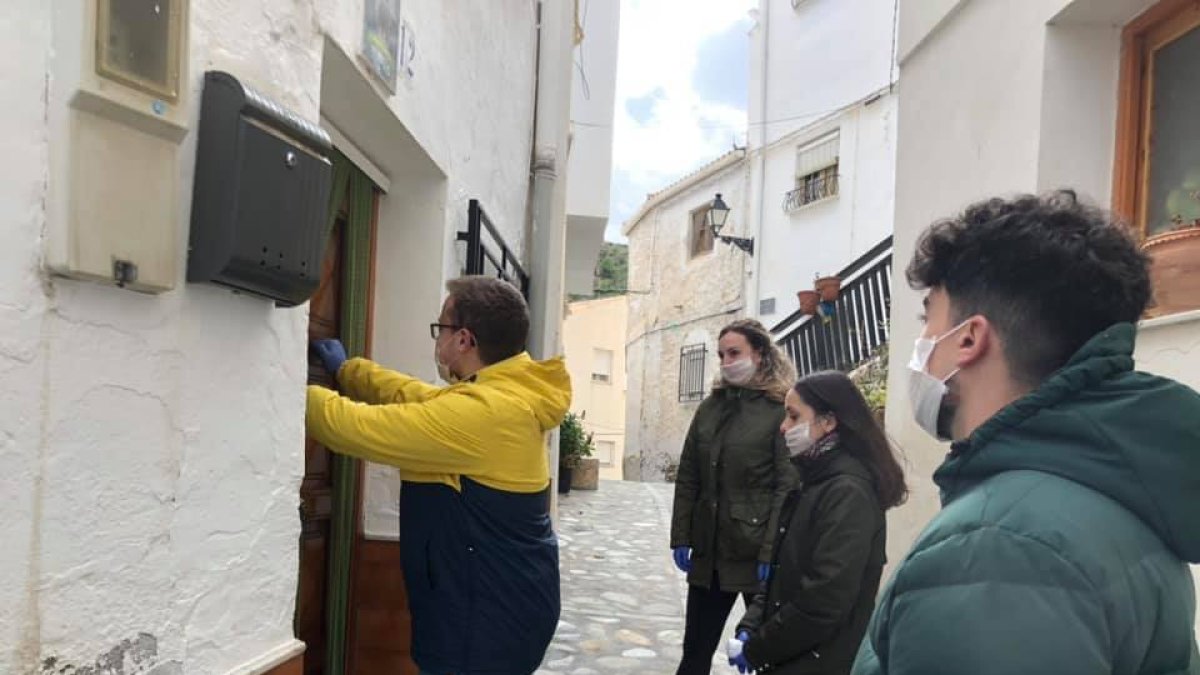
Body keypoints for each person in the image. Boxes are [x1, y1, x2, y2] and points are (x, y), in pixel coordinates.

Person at [852, 191, 1200, 675]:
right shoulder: (1114, 493)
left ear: (969, 340)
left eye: (928, 316)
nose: (922, 343)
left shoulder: (993, 548)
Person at [306, 275, 571, 675]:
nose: (437, 338)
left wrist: (282, 378)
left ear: (464, 340)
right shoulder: (504, 396)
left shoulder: (485, 414)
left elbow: (349, 426)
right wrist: (349, 370)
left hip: (483, 627)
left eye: (440, 328)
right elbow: (418, 396)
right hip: (500, 608)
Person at [728, 371, 906, 675]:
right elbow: (781, 573)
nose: (783, 428)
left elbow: (824, 600)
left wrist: (759, 648)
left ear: (828, 421)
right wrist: (751, 623)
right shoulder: (813, 479)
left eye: (794, 416)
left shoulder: (847, 493)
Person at [670, 318, 798, 675]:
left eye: (735, 353)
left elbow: (786, 486)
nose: (727, 362)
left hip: (753, 549)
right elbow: (688, 476)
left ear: (759, 354)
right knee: (694, 653)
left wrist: (771, 550)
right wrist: (681, 535)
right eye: (721, 354)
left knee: (766, 655)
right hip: (709, 553)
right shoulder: (710, 408)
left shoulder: (779, 410)